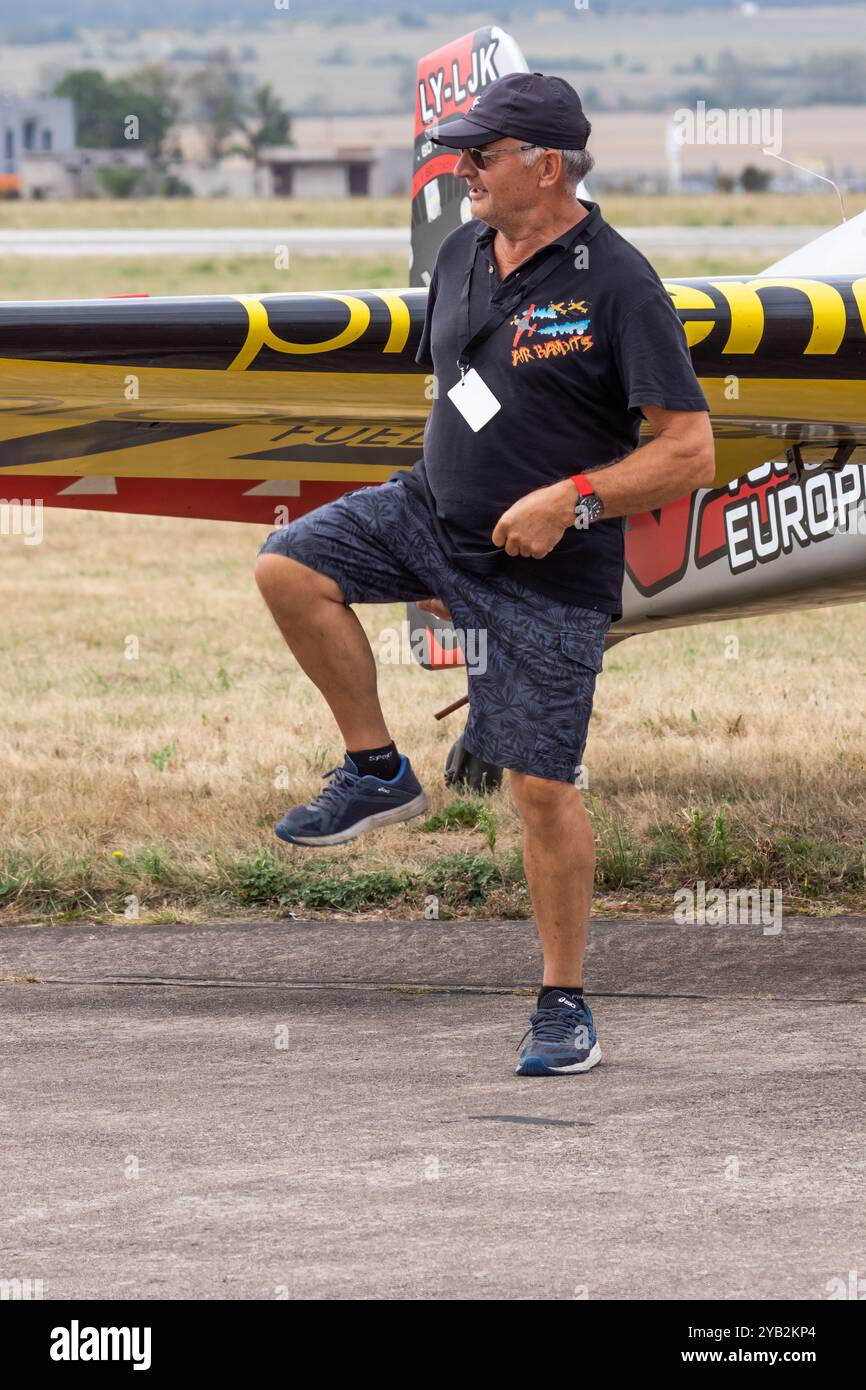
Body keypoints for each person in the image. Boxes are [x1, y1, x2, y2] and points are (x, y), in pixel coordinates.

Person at [254, 72, 714, 1076]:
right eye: (459, 152)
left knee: (539, 789)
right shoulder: (461, 251)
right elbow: (461, 391)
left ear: (544, 166)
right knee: (289, 566)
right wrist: (437, 556)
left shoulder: (620, 283)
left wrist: (572, 498)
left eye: (481, 154)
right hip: (432, 515)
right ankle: (377, 770)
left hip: (553, 568)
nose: (460, 169)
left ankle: (563, 1004)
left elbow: (689, 452)